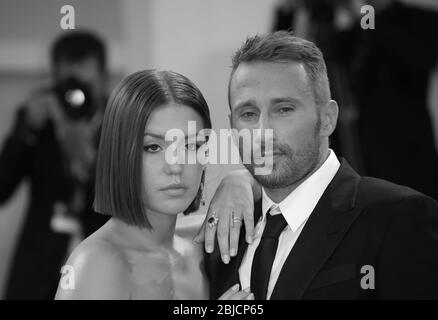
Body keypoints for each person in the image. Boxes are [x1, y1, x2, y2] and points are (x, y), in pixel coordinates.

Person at [196, 31, 438, 299]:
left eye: (284, 109)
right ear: (232, 128)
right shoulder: (224, 236)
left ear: (327, 119)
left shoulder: (399, 217)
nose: (263, 131)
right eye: (249, 114)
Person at [55, 70, 254, 300]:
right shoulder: (95, 262)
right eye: (153, 147)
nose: (176, 166)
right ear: (120, 155)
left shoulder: (200, 242)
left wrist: (238, 180)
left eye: (191, 146)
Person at [0, 31, 110, 299]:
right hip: (37, 268)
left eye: (84, 83)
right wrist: (26, 132)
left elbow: (125, 197)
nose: (76, 95)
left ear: (103, 79)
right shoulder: (38, 121)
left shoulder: (117, 121)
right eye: (68, 84)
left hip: (100, 260)